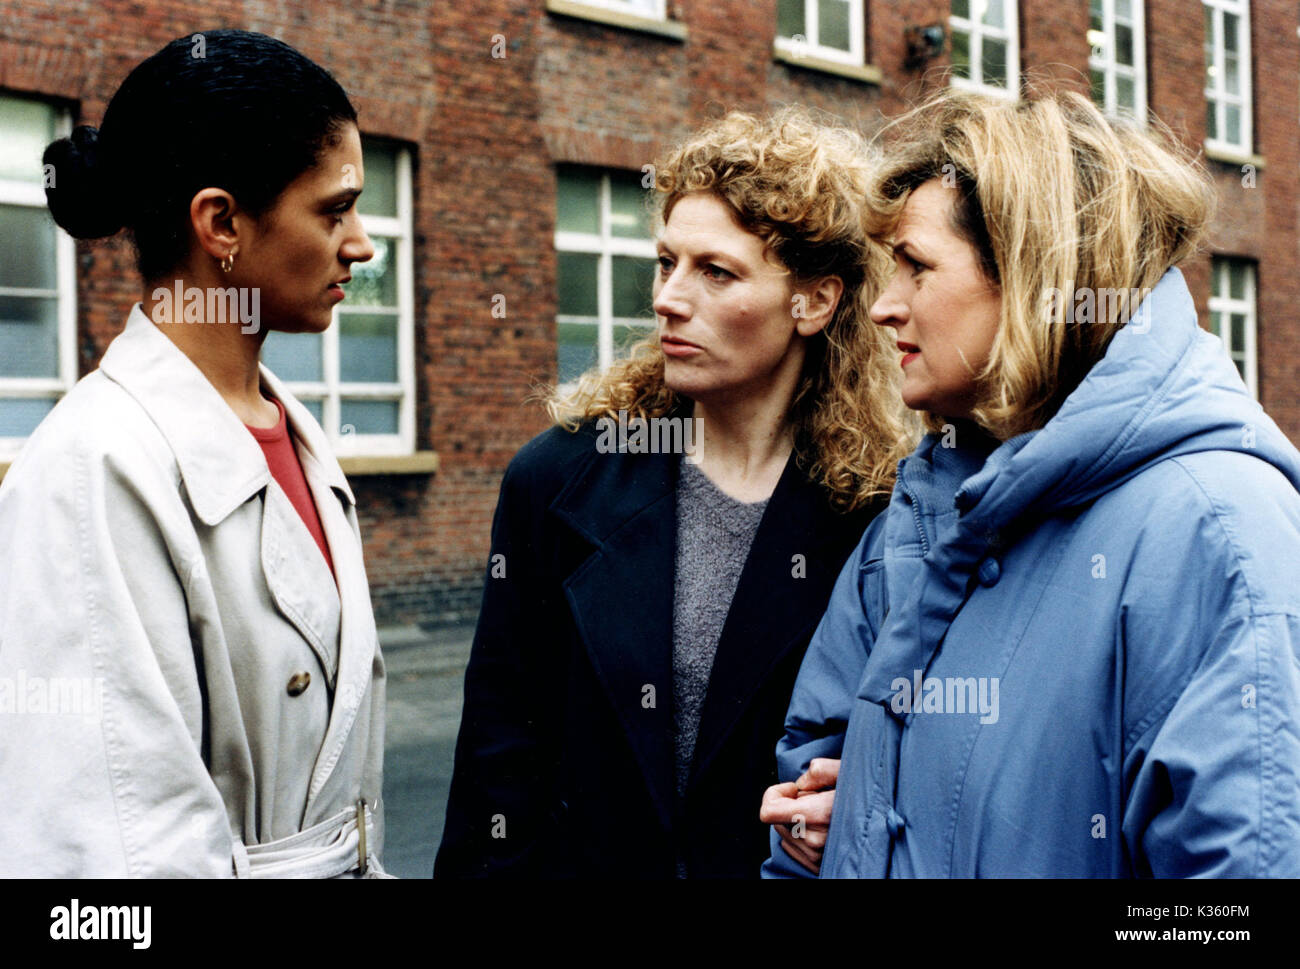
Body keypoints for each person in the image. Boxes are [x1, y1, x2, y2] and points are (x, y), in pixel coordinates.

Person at [760, 87, 1300, 877]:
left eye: (915, 266)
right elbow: (821, 765)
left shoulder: (1218, 531)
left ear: (1033, 277)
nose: (883, 307)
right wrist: (846, 835)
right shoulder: (918, 516)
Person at [436, 110, 913, 878]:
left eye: (715, 272)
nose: (668, 298)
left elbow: (908, 763)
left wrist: (850, 810)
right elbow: (498, 766)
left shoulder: (881, 517)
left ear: (815, 302)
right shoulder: (558, 480)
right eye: (666, 263)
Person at [0, 30, 389, 877]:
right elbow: (111, 852)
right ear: (221, 223)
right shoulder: (93, 468)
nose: (360, 244)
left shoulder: (298, 432)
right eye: (333, 209)